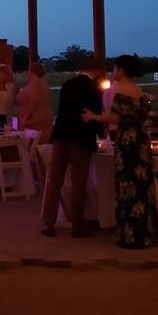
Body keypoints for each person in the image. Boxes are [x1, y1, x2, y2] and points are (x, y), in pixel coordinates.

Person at [82, 55, 158, 249]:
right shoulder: (139, 91)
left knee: (128, 189)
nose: (113, 71)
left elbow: (115, 118)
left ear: (121, 70)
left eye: (115, 68)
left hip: (128, 143)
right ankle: (145, 233)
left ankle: (130, 235)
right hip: (141, 143)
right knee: (141, 189)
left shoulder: (119, 90)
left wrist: (93, 117)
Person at [41, 55, 103, 238]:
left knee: (54, 180)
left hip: (61, 136)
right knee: (79, 182)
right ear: (96, 70)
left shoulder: (67, 85)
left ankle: (48, 223)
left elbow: (62, 112)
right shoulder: (93, 88)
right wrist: (101, 133)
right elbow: (93, 115)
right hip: (80, 139)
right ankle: (77, 225)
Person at [17, 61, 54, 143]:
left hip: (35, 121)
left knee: (32, 144)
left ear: (31, 71)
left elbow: (34, 101)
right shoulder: (42, 83)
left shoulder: (36, 82)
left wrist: (25, 118)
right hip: (41, 118)